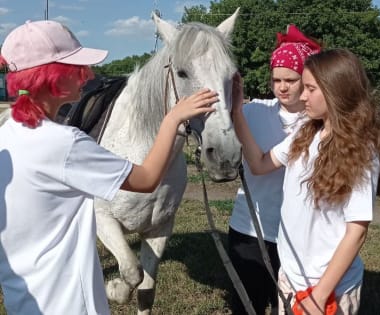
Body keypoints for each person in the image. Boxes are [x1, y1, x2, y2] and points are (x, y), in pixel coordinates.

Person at [0, 20, 218, 315]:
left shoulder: (8, 133)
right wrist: (173, 118)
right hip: (70, 304)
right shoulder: (66, 144)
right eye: (75, 69)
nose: (87, 76)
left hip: (24, 299)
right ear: (51, 79)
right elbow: (147, 178)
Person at [231, 48, 380, 315]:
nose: (302, 95)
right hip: (291, 278)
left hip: (328, 288)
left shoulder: (361, 151)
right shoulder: (305, 134)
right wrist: (238, 113)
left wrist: (319, 296)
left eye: (310, 88)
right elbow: (260, 164)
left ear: (335, 91)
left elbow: (357, 231)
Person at [227, 25, 320, 315]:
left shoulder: (317, 124)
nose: (282, 87)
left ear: (306, 80)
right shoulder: (253, 112)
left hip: (297, 236)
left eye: (291, 80)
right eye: (276, 79)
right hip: (249, 228)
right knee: (247, 306)